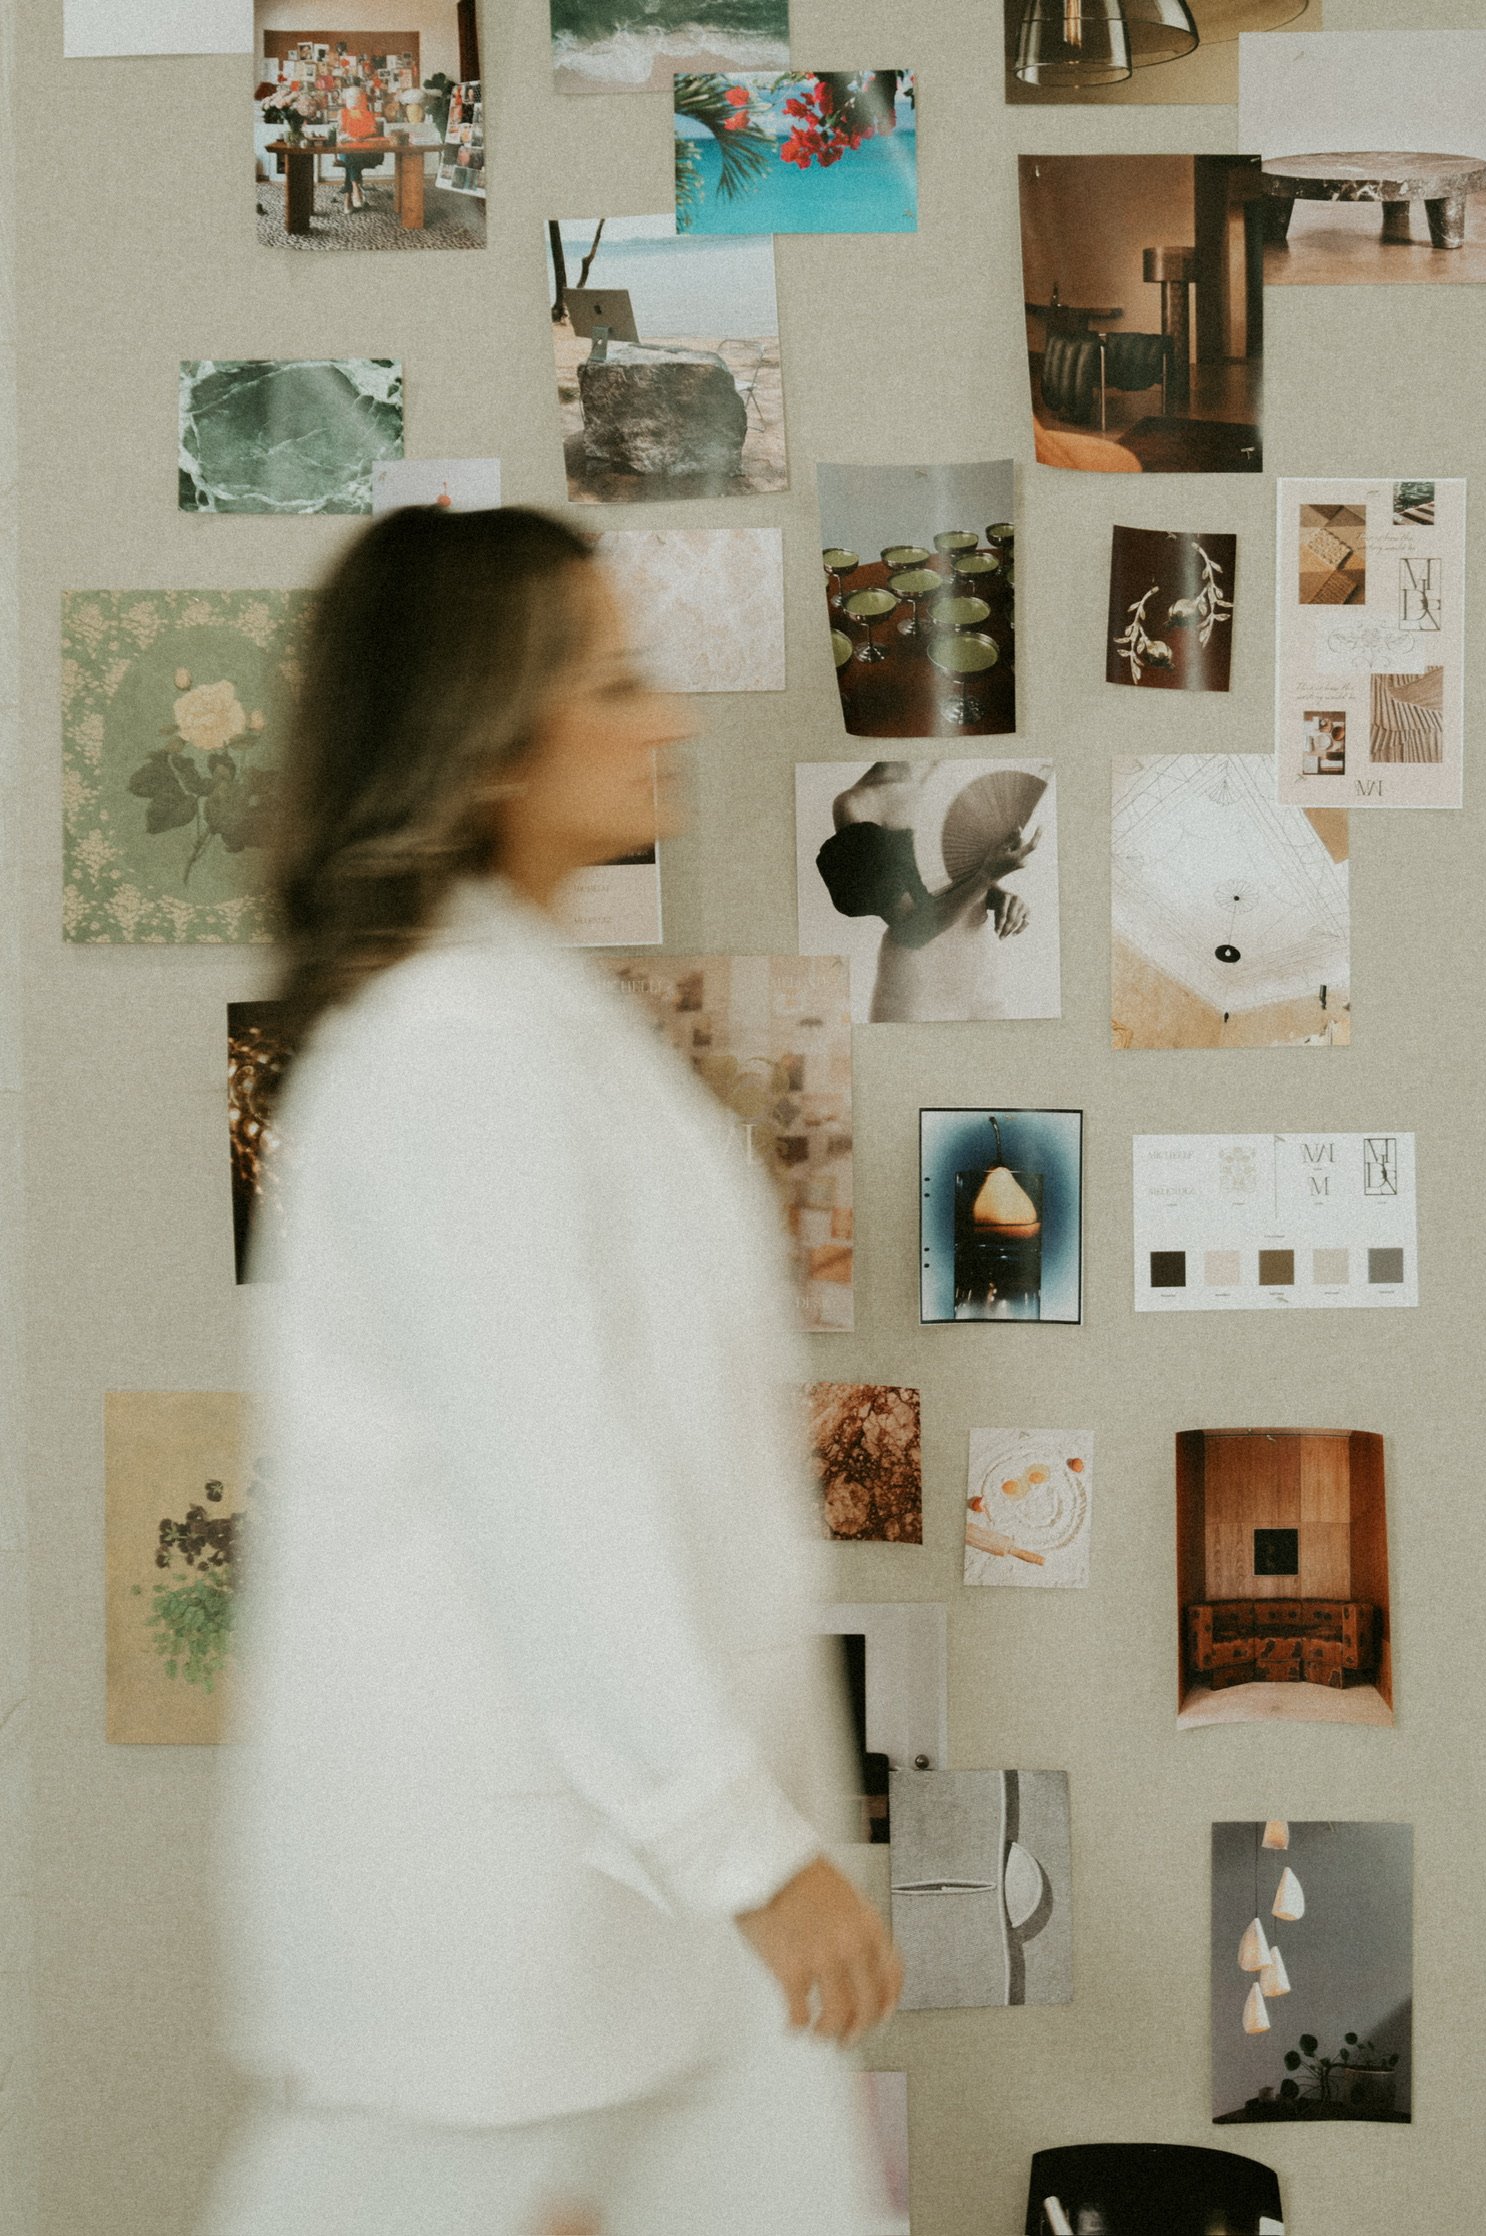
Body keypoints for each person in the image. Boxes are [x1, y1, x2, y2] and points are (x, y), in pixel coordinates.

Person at [201, 506, 902, 2236]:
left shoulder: (531, 1024)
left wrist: (742, 1834)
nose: (665, 720)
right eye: (616, 683)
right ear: (481, 733)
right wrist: (742, 1845)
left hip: (618, 1907)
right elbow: (549, 1482)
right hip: (495, 1916)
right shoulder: (453, 1059)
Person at [816, 759, 1038, 1022]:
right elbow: (913, 926)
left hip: (981, 967)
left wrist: (997, 893)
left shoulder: (951, 773)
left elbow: (950, 874)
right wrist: (987, 876)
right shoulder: (857, 802)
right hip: (917, 981)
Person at [336, 82, 383, 213]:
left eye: (358, 98)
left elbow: (373, 130)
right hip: (348, 150)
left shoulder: (368, 114)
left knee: (350, 160)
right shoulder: (343, 113)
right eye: (351, 98)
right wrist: (350, 137)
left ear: (362, 99)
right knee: (350, 157)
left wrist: (362, 136)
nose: (355, 101)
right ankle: (355, 189)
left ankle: (349, 196)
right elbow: (340, 133)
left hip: (367, 152)